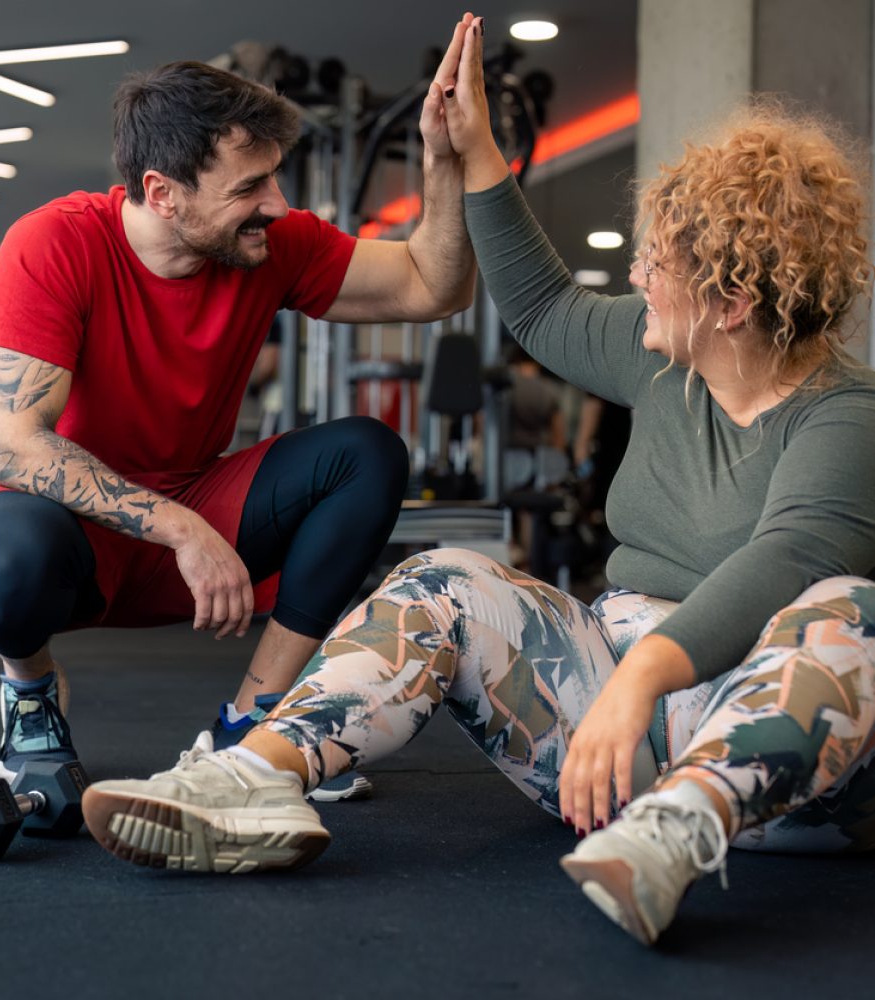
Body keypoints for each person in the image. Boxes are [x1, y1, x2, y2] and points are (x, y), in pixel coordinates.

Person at [81, 14, 875, 947]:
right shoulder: (662, 358)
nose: (635, 275)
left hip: (785, 766)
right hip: (618, 742)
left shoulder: (846, 416)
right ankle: (253, 778)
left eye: (658, 265)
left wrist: (638, 682)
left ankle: (681, 829)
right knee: (443, 578)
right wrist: (475, 154)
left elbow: (782, 560)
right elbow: (540, 305)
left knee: (848, 607)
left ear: (733, 304)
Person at [0, 25, 479, 801]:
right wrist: (181, 529)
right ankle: (30, 695)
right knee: (11, 555)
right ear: (163, 192)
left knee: (366, 454)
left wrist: (443, 162)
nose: (276, 202)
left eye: (273, 177)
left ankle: (253, 722)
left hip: (201, 496)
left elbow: (433, 288)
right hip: (71, 528)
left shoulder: (271, 244)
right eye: (248, 188)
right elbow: (16, 450)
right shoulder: (54, 244)